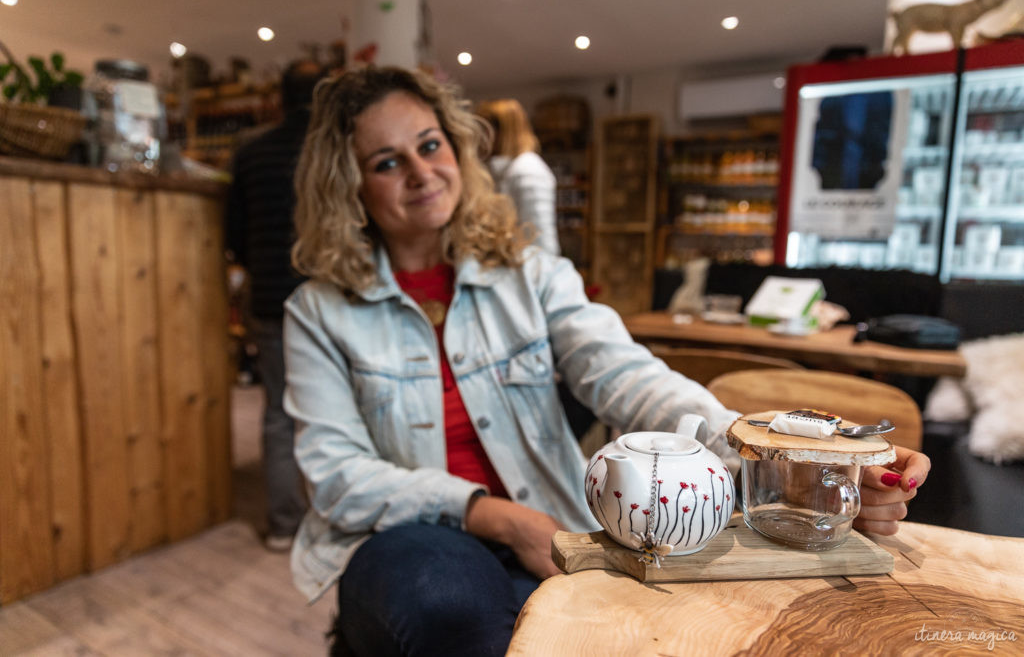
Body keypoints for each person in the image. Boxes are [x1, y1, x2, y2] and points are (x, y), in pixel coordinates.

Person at [283, 66, 931, 656]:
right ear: (350, 186)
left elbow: (626, 373)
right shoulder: (317, 310)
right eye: (387, 162)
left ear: (456, 148)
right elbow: (336, 475)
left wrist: (784, 460)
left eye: (430, 145)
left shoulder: (529, 272)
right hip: (406, 541)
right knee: (450, 605)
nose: (422, 172)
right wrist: (498, 517)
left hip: (548, 527)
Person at [225, 58, 325, 551]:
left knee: (279, 415)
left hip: (270, 298)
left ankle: (285, 525)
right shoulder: (333, 148)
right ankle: (335, 520)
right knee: (333, 412)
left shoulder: (250, 152)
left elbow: (234, 236)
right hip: (329, 298)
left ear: (278, 98)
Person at [476, 98, 560, 255]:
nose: (481, 138)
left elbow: (540, 237)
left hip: (526, 268)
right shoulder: (501, 171)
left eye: (486, 130)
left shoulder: (528, 171)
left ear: (502, 132)